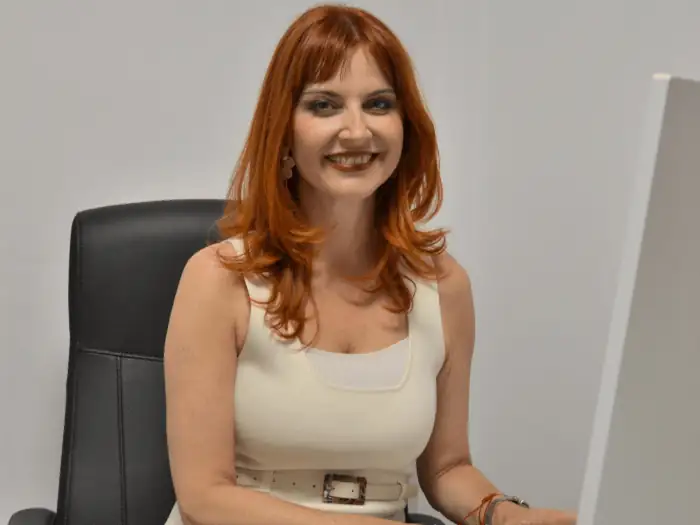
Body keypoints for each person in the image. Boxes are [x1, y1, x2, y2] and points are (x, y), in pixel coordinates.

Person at [162, 4, 577, 525]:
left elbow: (447, 468)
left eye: (379, 104)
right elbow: (205, 496)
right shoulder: (219, 280)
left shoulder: (444, 287)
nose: (356, 131)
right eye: (324, 105)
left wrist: (502, 514)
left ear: (406, 127)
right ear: (283, 132)